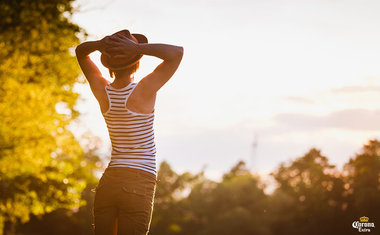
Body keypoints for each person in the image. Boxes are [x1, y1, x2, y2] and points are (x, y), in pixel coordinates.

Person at [75, 29, 183, 235]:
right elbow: (176, 53)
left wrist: (100, 44)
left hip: (109, 182)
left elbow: (81, 52)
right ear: (137, 62)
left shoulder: (101, 90)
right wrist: (137, 48)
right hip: (138, 180)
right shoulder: (144, 90)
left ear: (108, 66)